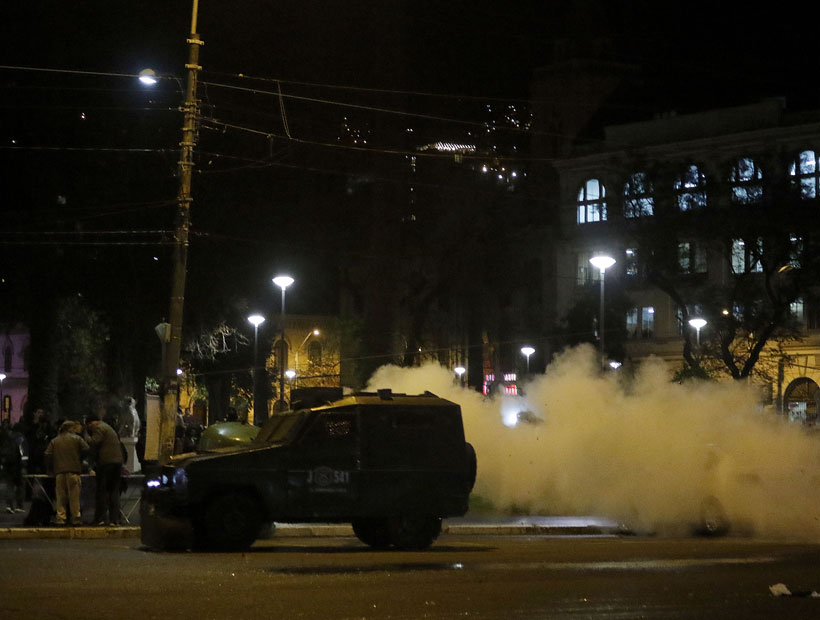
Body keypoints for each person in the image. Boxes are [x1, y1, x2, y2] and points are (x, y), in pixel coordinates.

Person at [43, 420, 89, 526]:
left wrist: (50, 468)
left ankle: (61, 518)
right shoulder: (77, 439)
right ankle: (76, 517)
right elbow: (87, 449)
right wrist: (79, 459)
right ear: (70, 428)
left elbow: (47, 454)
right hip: (73, 471)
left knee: (61, 497)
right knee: (74, 497)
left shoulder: (55, 441)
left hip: (59, 472)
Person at [85, 412, 124, 525]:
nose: (89, 428)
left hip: (107, 463)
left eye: (89, 425)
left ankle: (100, 519)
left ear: (92, 423)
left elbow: (94, 442)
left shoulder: (99, 428)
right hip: (117, 462)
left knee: (102, 491)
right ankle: (114, 519)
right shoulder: (108, 428)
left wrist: (86, 438)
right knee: (114, 491)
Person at [0, 419, 26, 513]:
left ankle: (9, 505)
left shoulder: (8, 437)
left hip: (8, 465)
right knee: (20, 486)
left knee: (9, 486)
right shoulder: (20, 438)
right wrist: (23, 465)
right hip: (17, 466)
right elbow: (23, 453)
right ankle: (19, 505)